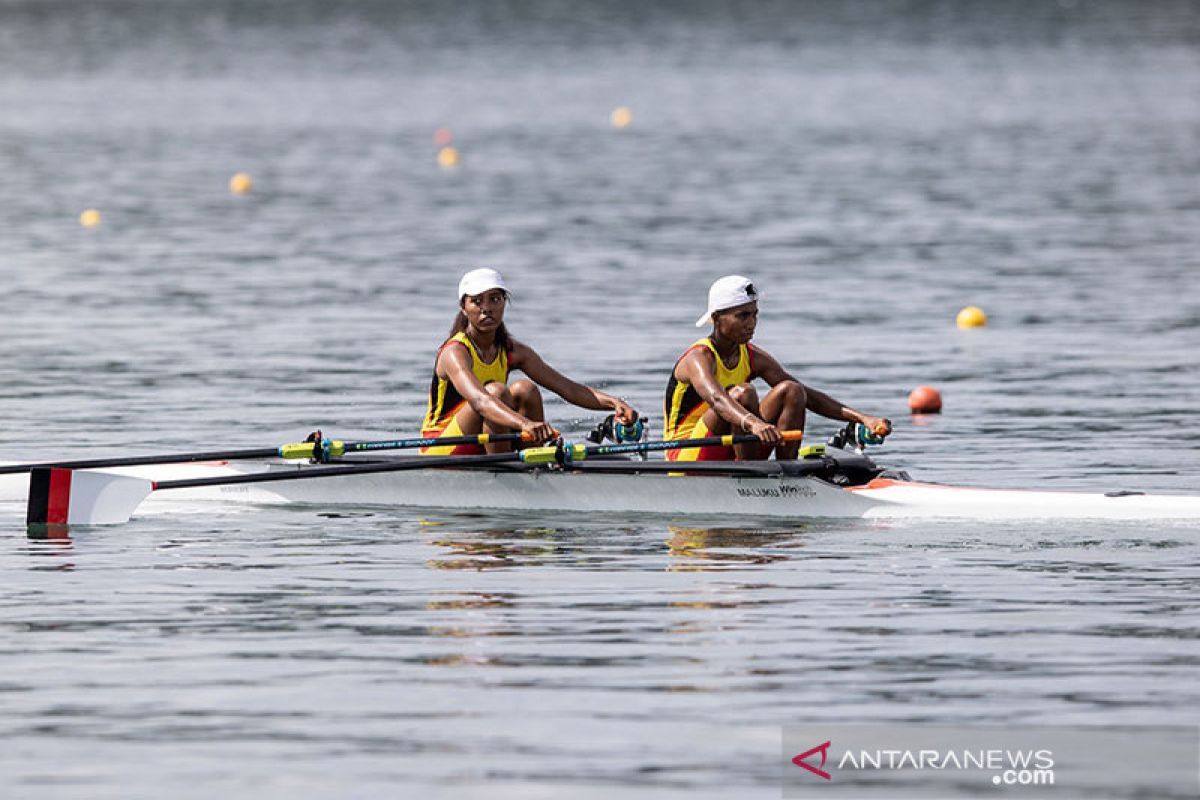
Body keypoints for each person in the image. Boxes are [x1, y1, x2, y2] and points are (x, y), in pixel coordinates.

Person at [663, 275, 891, 461]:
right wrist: (754, 423)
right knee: (743, 393)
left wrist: (863, 418)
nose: (752, 323)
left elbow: (809, 397)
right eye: (742, 316)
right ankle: (751, 475)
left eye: (754, 314)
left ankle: (786, 474)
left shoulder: (751, 355)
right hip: (686, 453)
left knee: (791, 390)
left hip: (732, 444)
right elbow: (718, 400)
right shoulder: (698, 357)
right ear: (717, 318)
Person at [421, 268, 639, 455]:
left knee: (526, 390)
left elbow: (568, 389)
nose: (486, 308)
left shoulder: (513, 351)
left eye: (495, 299)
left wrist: (615, 403)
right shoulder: (454, 352)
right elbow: (480, 402)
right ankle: (505, 471)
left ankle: (532, 461)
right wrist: (524, 424)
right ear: (463, 308)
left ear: (504, 303)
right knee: (496, 392)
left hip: (484, 440)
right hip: (442, 444)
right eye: (476, 301)